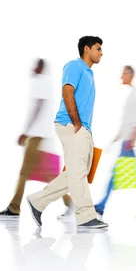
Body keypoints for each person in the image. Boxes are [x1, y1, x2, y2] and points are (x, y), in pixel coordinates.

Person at [26, 36, 108, 229]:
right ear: (86, 49)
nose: (101, 53)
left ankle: (37, 201)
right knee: (78, 172)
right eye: (98, 49)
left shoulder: (89, 73)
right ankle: (86, 216)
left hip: (83, 127)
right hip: (71, 124)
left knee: (77, 172)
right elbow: (67, 92)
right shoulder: (74, 66)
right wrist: (77, 123)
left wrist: (84, 127)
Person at [0, 59, 73, 218]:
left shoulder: (41, 83)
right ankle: (71, 204)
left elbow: (38, 107)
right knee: (50, 175)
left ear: (40, 68)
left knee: (24, 172)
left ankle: (14, 207)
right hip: (42, 136)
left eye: (36, 65)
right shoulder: (46, 83)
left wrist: (26, 132)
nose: (33, 68)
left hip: (37, 136)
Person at [94, 66, 136, 219]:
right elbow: (127, 121)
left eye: (123, 73)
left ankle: (102, 205)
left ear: (130, 75)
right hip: (126, 140)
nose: (121, 77)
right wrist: (116, 138)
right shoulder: (131, 94)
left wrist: (132, 139)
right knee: (123, 175)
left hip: (128, 142)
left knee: (124, 175)